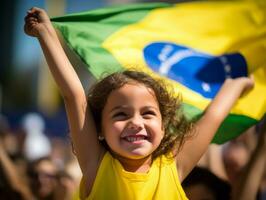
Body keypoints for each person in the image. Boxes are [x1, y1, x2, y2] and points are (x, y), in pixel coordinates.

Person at [24, 7, 254, 200]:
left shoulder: (174, 167)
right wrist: (46, 33)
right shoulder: (96, 166)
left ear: (164, 128)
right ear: (100, 130)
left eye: (147, 114)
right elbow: (74, 96)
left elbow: (212, 116)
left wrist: (237, 85)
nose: (136, 122)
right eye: (121, 115)